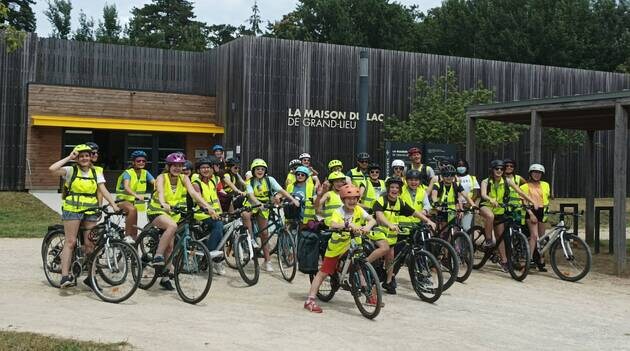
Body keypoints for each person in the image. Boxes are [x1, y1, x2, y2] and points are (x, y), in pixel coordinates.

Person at [49, 144, 120, 289]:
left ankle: (91, 278)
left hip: (91, 210)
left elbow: (103, 189)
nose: (84, 158)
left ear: (90, 157)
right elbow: (52, 169)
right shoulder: (71, 170)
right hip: (73, 209)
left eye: (87, 156)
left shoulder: (95, 172)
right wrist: (69, 157)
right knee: (70, 242)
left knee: (90, 245)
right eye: (81, 156)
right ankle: (64, 276)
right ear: (77, 158)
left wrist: (113, 204)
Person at [304, 185, 377, 313]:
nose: (352, 201)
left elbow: (372, 220)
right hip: (337, 247)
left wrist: (368, 227)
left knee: (360, 268)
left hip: (354, 244)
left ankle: (368, 295)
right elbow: (333, 223)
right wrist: (347, 224)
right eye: (349, 199)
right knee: (324, 272)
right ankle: (310, 300)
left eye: (355, 198)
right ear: (343, 200)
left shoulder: (359, 210)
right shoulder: (338, 212)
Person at [146, 152, 214, 290]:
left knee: (170, 248)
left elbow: (194, 194)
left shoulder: (184, 178)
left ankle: (164, 278)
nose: (177, 168)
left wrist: (208, 207)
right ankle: (158, 255)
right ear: (168, 166)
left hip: (173, 214)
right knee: (172, 226)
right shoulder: (162, 177)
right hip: (157, 210)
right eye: (174, 166)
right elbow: (159, 192)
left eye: (180, 166)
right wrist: (163, 202)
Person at [374, 177, 436, 294]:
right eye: (392, 187)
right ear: (388, 189)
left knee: (391, 257)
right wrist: (389, 224)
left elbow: (414, 212)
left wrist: (428, 221)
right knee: (385, 250)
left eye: (397, 188)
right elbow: (379, 216)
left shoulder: (400, 202)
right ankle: (364, 264)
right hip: (379, 231)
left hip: (391, 235)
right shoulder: (381, 200)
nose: (394, 190)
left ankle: (388, 281)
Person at [242, 158, 300, 272]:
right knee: (245, 214)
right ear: (253, 170)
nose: (260, 171)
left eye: (262, 169)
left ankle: (267, 261)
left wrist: (293, 199)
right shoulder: (250, 182)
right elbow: (250, 196)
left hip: (264, 206)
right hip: (252, 205)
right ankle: (251, 238)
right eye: (258, 169)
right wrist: (258, 204)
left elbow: (281, 190)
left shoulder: (270, 180)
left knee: (264, 233)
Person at [479, 160, 538, 272]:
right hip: (486, 206)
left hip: (500, 209)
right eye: (497, 169)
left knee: (500, 236)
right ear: (492, 170)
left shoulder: (507, 181)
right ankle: (488, 240)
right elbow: (483, 194)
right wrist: (490, 199)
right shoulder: (486, 181)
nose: (500, 171)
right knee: (490, 216)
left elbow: (520, 191)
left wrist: (531, 201)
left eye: (502, 169)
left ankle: (504, 261)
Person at [191, 158, 225, 275]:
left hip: (214, 213)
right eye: (202, 168)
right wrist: (209, 211)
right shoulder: (196, 184)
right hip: (201, 213)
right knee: (218, 225)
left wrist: (220, 212)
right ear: (198, 170)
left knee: (223, 228)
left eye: (207, 167)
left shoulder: (212, 182)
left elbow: (216, 199)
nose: (205, 170)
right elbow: (199, 200)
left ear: (211, 169)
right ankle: (209, 255)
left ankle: (215, 258)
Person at [115, 150, 156, 242]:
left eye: (143, 161)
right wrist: (136, 195)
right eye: (138, 161)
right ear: (133, 162)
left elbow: (155, 183)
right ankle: (127, 236)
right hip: (121, 201)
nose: (141, 162)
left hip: (134, 203)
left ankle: (133, 247)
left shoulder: (145, 173)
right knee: (132, 210)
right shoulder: (128, 173)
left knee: (135, 230)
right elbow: (126, 187)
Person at [520, 163, 551, 272]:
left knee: (542, 238)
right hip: (531, 211)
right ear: (530, 173)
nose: (537, 175)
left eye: (539, 173)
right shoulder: (524, 186)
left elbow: (547, 198)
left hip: (543, 211)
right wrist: (531, 214)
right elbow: (523, 202)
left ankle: (541, 260)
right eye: (535, 172)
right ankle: (529, 260)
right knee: (534, 236)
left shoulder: (546, 185)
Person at [431, 165, 475, 232]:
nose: (449, 177)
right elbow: (434, 196)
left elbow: (466, 195)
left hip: (452, 211)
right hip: (440, 209)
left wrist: (473, 204)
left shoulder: (457, 185)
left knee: (453, 230)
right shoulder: (437, 185)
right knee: (444, 230)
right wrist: (436, 204)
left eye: (452, 175)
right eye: (446, 175)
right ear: (442, 176)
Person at [455, 158, 480, 232]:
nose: (461, 167)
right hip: (456, 206)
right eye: (459, 166)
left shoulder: (472, 178)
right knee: (455, 228)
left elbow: (476, 192)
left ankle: (467, 243)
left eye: (463, 165)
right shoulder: (453, 178)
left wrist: (469, 204)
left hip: (468, 206)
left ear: (466, 167)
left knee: (466, 228)